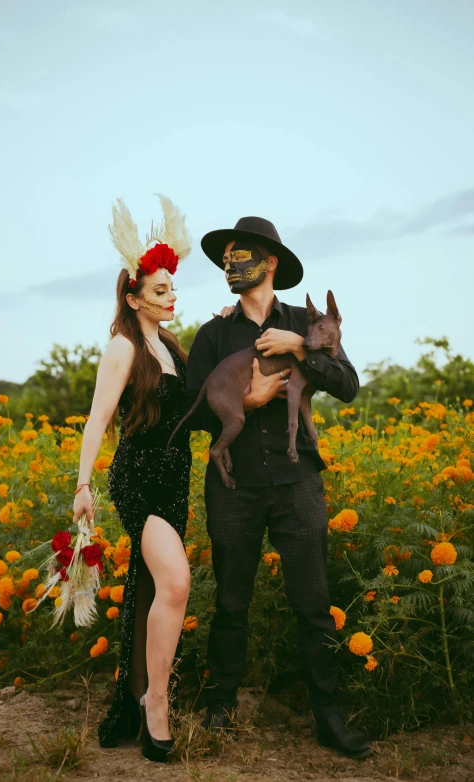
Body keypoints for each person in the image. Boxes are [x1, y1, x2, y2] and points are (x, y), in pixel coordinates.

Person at [185, 216, 374, 759]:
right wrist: (243, 404)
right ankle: (220, 709)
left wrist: (302, 347)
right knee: (229, 601)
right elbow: (191, 410)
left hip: (298, 484)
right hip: (234, 486)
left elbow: (348, 386)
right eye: (226, 257)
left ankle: (328, 716)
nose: (230, 264)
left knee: (314, 603)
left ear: (268, 263)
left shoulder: (304, 321)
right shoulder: (214, 334)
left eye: (239, 254)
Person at [72, 196, 193, 762]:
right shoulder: (123, 346)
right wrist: (83, 487)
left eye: (173, 289)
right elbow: (98, 418)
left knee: (151, 590)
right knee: (174, 584)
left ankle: (138, 695)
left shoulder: (171, 346)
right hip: (139, 480)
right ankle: (156, 705)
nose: (172, 298)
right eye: (161, 290)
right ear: (133, 295)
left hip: (175, 482)